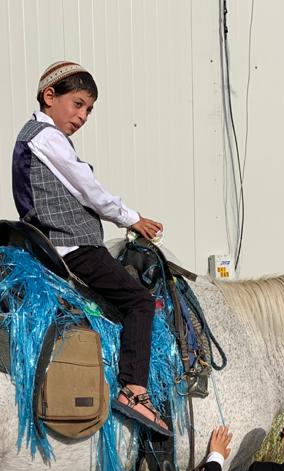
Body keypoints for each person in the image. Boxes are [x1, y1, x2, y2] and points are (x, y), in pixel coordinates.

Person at [11, 60, 170, 435]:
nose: (82, 116)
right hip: (72, 245)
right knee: (140, 301)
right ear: (50, 96)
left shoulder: (32, 137)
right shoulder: (47, 137)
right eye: (78, 104)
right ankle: (134, 390)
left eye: (89, 110)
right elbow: (87, 187)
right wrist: (131, 218)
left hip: (56, 241)